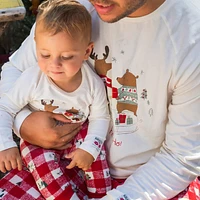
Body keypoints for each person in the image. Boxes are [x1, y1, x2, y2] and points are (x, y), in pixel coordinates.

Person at [0, 0, 200, 199]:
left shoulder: (190, 38)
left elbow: (180, 157)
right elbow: (16, 69)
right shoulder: (72, 8)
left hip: (147, 181)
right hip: (62, 164)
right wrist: (23, 123)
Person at [0, 0, 111, 199]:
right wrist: (5, 144)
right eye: (45, 55)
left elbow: (100, 118)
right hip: (37, 141)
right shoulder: (32, 79)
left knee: (96, 160)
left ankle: (102, 195)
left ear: (87, 51)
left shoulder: (92, 84)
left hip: (80, 132)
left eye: (67, 56)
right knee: (43, 168)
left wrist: (89, 149)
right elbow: (5, 108)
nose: (54, 65)